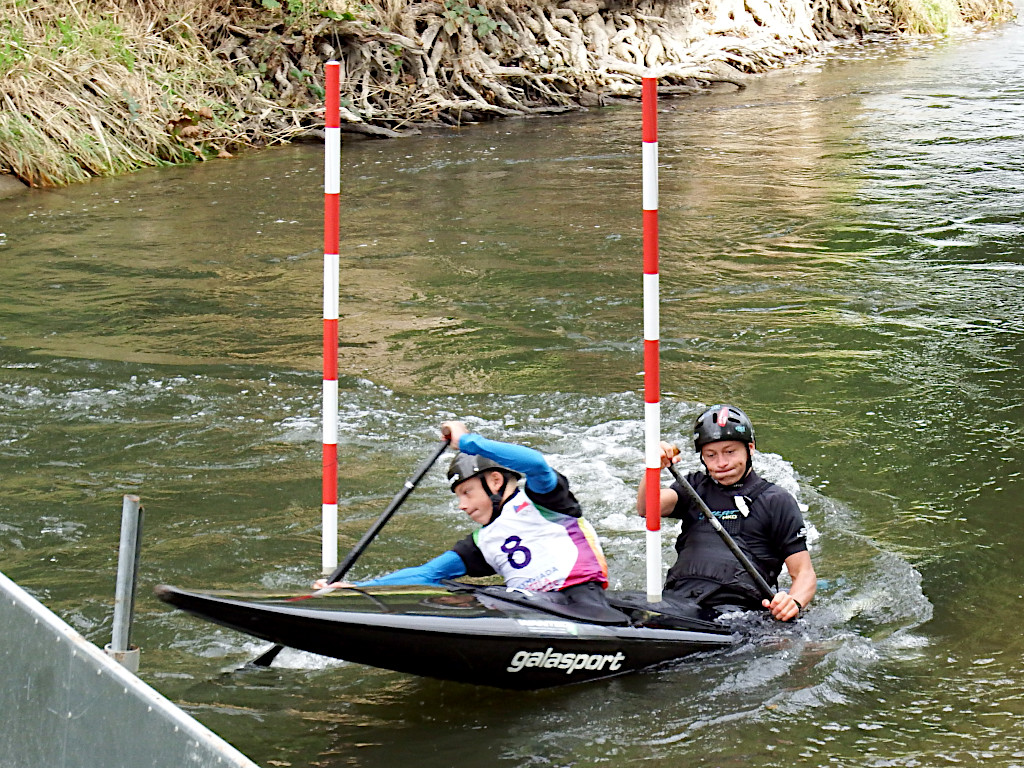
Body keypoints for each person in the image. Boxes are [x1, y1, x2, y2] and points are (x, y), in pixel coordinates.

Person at [317, 420, 615, 616]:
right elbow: (427, 575)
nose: (461, 505)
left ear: (495, 481)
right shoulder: (481, 541)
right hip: (528, 606)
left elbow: (536, 464)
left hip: (580, 599)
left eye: (467, 493)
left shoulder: (543, 500)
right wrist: (358, 588)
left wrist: (469, 442)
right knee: (450, 591)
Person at [636, 404, 815, 622]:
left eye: (730, 452)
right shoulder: (693, 487)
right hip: (678, 603)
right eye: (711, 455)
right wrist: (653, 468)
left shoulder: (776, 500)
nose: (721, 463)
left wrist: (793, 602)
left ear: (750, 448)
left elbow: (804, 573)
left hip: (737, 613)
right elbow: (647, 508)